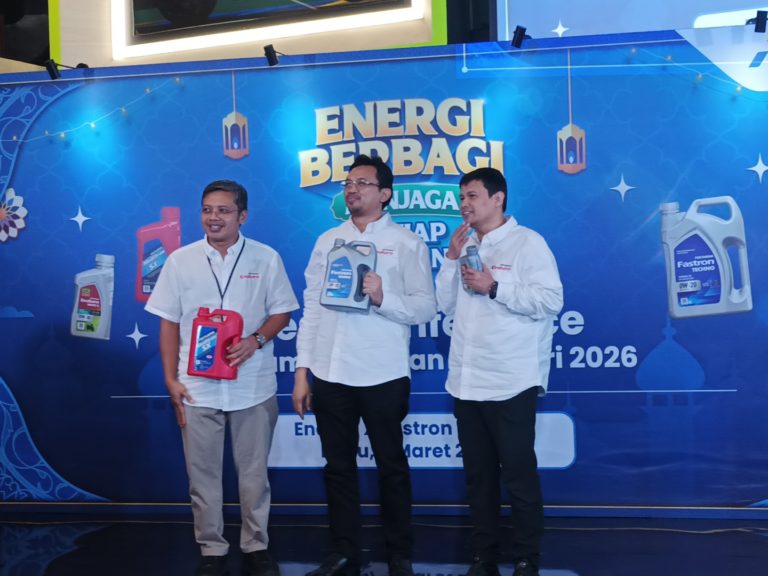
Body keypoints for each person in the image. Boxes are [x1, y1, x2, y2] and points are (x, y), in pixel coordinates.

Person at [292, 154, 436, 576]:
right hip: (330, 371)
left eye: (362, 183)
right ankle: (343, 551)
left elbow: (426, 307)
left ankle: (399, 553)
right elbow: (312, 309)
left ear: (385, 194)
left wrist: (382, 297)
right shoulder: (327, 241)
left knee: (391, 467)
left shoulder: (406, 242)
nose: (352, 189)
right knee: (338, 468)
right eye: (348, 183)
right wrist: (303, 372)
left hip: (383, 372)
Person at [145, 180, 299, 576]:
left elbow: (282, 311)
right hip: (196, 388)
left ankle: (256, 544)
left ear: (242, 216)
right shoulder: (180, 261)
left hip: (253, 385)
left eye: (224, 210)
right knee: (202, 477)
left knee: (254, 476)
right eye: (207, 210)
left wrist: (255, 340)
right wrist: (170, 380)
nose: (214, 218)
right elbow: (168, 323)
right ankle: (211, 547)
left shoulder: (266, 258)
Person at [435, 168, 563, 576]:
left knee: (519, 477)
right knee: (479, 478)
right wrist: (450, 258)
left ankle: (526, 558)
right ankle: (483, 556)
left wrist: (495, 288)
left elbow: (551, 300)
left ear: (498, 199)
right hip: (467, 382)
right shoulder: (466, 244)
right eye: (461, 197)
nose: (464, 204)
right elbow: (443, 304)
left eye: (472, 196)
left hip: (511, 380)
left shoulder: (528, 243)